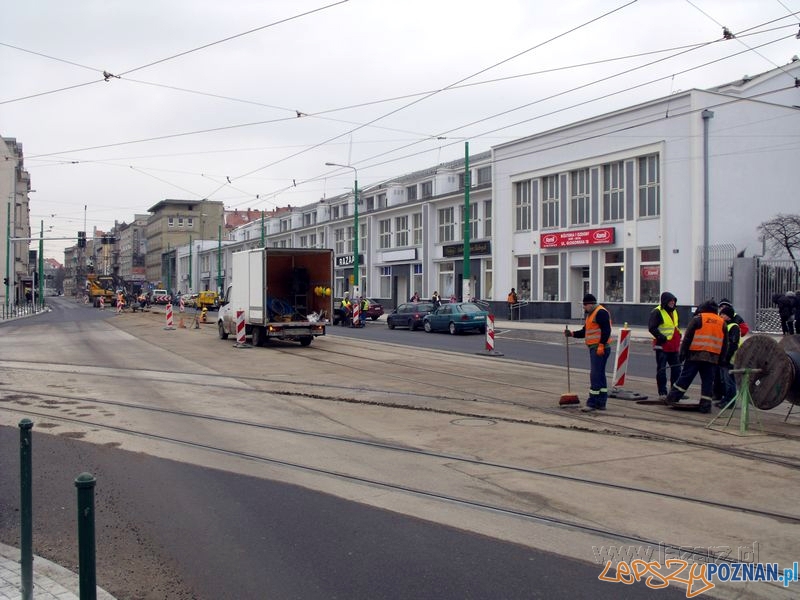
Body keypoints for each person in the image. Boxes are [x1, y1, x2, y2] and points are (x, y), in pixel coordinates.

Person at [665, 300, 728, 414]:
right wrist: (722, 359)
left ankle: (673, 397)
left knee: (685, 378)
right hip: (712, 358)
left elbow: (687, 338)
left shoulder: (698, 319)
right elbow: (725, 344)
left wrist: (682, 353)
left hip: (695, 355)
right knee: (708, 382)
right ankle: (705, 405)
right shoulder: (722, 322)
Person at [564, 293, 613, 412]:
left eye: (584, 305)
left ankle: (592, 402)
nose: (583, 307)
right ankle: (601, 402)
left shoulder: (600, 312)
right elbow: (585, 331)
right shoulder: (591, 314)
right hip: (595, 347)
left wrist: (601, 345)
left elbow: (606, 330)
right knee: (600, 375)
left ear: (590, 304)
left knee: (595, 375)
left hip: (599, 348)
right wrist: (572, 334)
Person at [647, 292, 682, 402]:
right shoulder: (657, 312)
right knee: (661, 370)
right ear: (665, 301)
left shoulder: (675, 311)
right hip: (662, 346)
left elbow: (675, 326)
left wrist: (679, 335)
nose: (672, 303)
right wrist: (662, 337)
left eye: (673, 301)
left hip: (673, 346)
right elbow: (652, 328)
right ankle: (662, 392)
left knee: (676, 369)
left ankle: (674, 392)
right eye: (670, 301)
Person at [715, 305, 741, 408]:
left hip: (730, 358)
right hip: (723, 357)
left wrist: (726, 357)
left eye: (723, 314)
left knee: (729, 380)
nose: (721, 316)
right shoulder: (725, 325)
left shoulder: (734, 327)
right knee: (724, 380)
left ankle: (730, 401)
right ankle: (725, 398)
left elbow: (733, 344)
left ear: (728, 316)